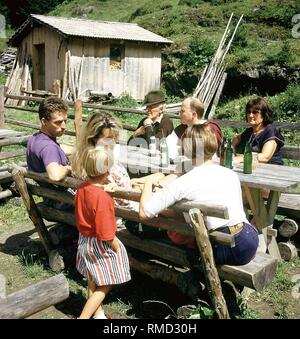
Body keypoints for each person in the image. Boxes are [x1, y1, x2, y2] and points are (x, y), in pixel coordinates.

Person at [139, 124, 258, 266]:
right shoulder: (230, 173)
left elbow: (144, 213)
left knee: (189, 249)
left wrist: (148, 182)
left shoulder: (185, 181)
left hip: (225, 245)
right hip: (249, 237)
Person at [75, 146, 131, 319]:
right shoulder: (102, 197)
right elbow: (105, 232)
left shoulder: (82, 188)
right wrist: (115, 246)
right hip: (101, 243)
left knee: (93, 278)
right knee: (107, 283)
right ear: (107, 171)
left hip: (85, 239)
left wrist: (109, 187)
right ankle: (83, 317)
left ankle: (98, 316)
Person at [71, 112, 134, 227]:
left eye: (115, 138)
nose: (114, 142)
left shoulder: (83, 160)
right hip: (119, 217)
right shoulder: (104, 166)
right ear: (94, 138)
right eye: (108, 138)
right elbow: (124, 200)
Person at [27, 96, 73, 180]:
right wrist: (68, 168)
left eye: (65, 121)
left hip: (41, 189)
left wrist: (80, 150)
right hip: (60, 192)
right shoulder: (49, 147)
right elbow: (55, 175)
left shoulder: (36, 138)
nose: (64, 126)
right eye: (58, 122)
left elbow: (57, 147)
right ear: (44, 122)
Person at [232, 97, 284, 165]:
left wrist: (241, 159)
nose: (250, 115)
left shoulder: (270, 132)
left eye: (255, 112)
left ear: (264, 115)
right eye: (248, 112)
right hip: (254, 168)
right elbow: (237, 138)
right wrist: (232, 149)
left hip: (272, 170)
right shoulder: (250, 131)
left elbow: (265, 157)